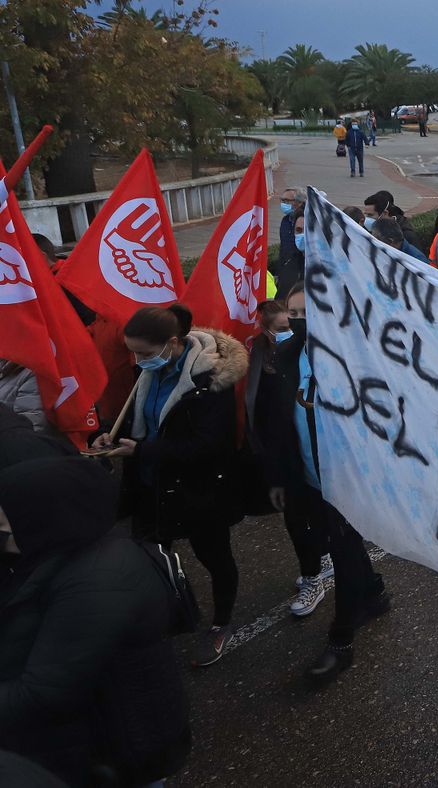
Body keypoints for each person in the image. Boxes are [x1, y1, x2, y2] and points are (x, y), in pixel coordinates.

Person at [0, 456, 192, 786]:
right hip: (93, 742)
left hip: (120, 751)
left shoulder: (99, 581)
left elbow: (42, 693)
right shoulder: (62, 554)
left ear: (42, 517)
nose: (2, 530)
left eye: (7, 520)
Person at [90, 304, 247, 667]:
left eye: (144, 352)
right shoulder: (148, 372)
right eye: (133, 351)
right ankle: (163, 618)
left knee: (214, 557)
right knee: (148, 559)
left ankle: (221, 623)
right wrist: (109, 434)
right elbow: (142, 417)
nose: (137, 359)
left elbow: (208, 445)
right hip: (153, 486)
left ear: (172, 344)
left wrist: (143, 450)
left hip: (199, 491)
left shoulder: (210, 380)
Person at [262, 285, 393, 685]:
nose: (298, 320)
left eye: (307, 312)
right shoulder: (284, 357)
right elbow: (276, 427)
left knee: (344, 549)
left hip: (349, 481)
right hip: (307, 477)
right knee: (341, 546)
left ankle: (341, 640)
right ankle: (372, 593)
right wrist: (280, 477)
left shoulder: (355, 358)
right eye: (293, 313)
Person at [244, 299, 330, 618]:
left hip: (324, 467)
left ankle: (331, 566)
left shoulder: (320, 357)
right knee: (297, 523)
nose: (293, 328)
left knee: (327, 525)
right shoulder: (272, 362)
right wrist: (276, 476)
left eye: (300, 317)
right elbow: (270, 426)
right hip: (292, 464)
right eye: (287, 322)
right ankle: (312, 577)